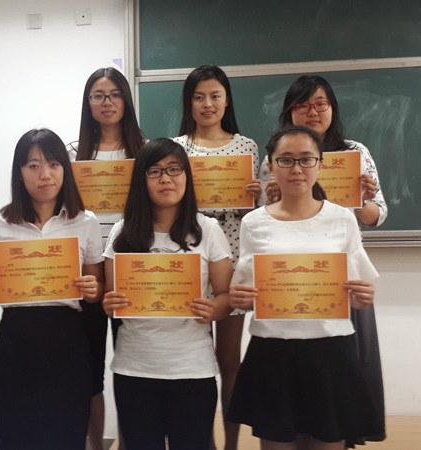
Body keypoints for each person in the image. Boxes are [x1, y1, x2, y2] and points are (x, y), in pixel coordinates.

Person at [227, 126, 383, 450]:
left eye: (306, 159)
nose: (296, 168)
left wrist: (363, 297)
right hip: (273, 352)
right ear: (271, 167)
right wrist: (239, 298)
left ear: (320, 165)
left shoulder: (342, 218)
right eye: (286, 160)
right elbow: (243, 292)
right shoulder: (253, 222)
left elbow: (359, 289)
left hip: (331, 352)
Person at [259, 75, 387, 446]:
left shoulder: (355, 152)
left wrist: (362, 200)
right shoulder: (276, 155)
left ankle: (337, 435)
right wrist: (269, 197)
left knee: (340, 373)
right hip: (287, 280)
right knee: (291, 367)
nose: (312, 112)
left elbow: (376, 216)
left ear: (332, 108)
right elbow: (264, 219)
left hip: (339, 279)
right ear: (289, 112)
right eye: (302, 105)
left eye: (320, 104)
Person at [0, 128, 104, 449]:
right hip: (16, 337)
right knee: (16, 433)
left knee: (67, 434)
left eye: (54, 164)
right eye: (33, 166)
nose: (45, 174)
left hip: (67, 338)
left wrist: (92, 289)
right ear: (19, 173)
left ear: (64, 169)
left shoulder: (85, 221)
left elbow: (97, 288)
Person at [102, 138, 234, 449]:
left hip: (192, 369)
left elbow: (226, 296)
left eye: (174, 169)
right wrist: (109, 303)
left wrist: (215, 309)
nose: (166, 179)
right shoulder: (122, 232)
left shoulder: (208, 230)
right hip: (134, 368)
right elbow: (110, 299)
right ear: (141, 180)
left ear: (187, 176)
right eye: (155, 171)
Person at [173, 64, 260, 450]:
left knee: (229, 361)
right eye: (198, 97)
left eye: (215, 96)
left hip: (232, 258)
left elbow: (254, 213)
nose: (207, 104)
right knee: (195, 362)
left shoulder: (247, 147)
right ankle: (202, 440)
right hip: (188, 258)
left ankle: (231, 444)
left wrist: (251, 199)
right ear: (189, 103)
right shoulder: (177, 147)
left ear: (227, 101)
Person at [66, 67, 147, 450]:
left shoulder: (145, 151)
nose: (107, 102)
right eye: (98, 95)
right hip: (87, 271)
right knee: (88, 374)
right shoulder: (71, 154)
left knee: (135, 371)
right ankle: (96, 445)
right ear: (88, 103)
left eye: (114, 94)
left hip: (133, 269)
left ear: (125, 99)